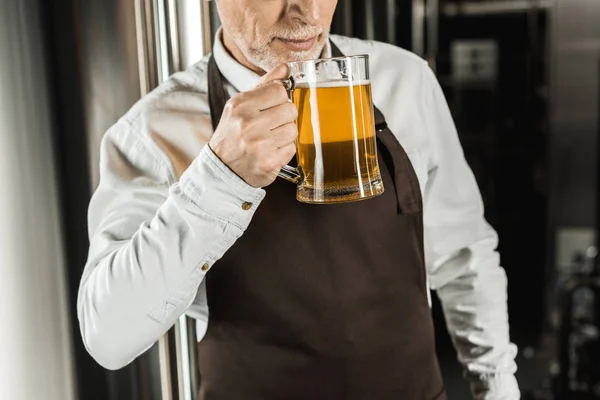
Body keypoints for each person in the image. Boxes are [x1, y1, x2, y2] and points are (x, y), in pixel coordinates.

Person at [77, 0, 520, 399]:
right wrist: (219, 175)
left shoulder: (404, 79)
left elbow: (465, 254)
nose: (307, 12)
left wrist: (497, 387)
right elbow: (108, 338)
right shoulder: (154, 132)